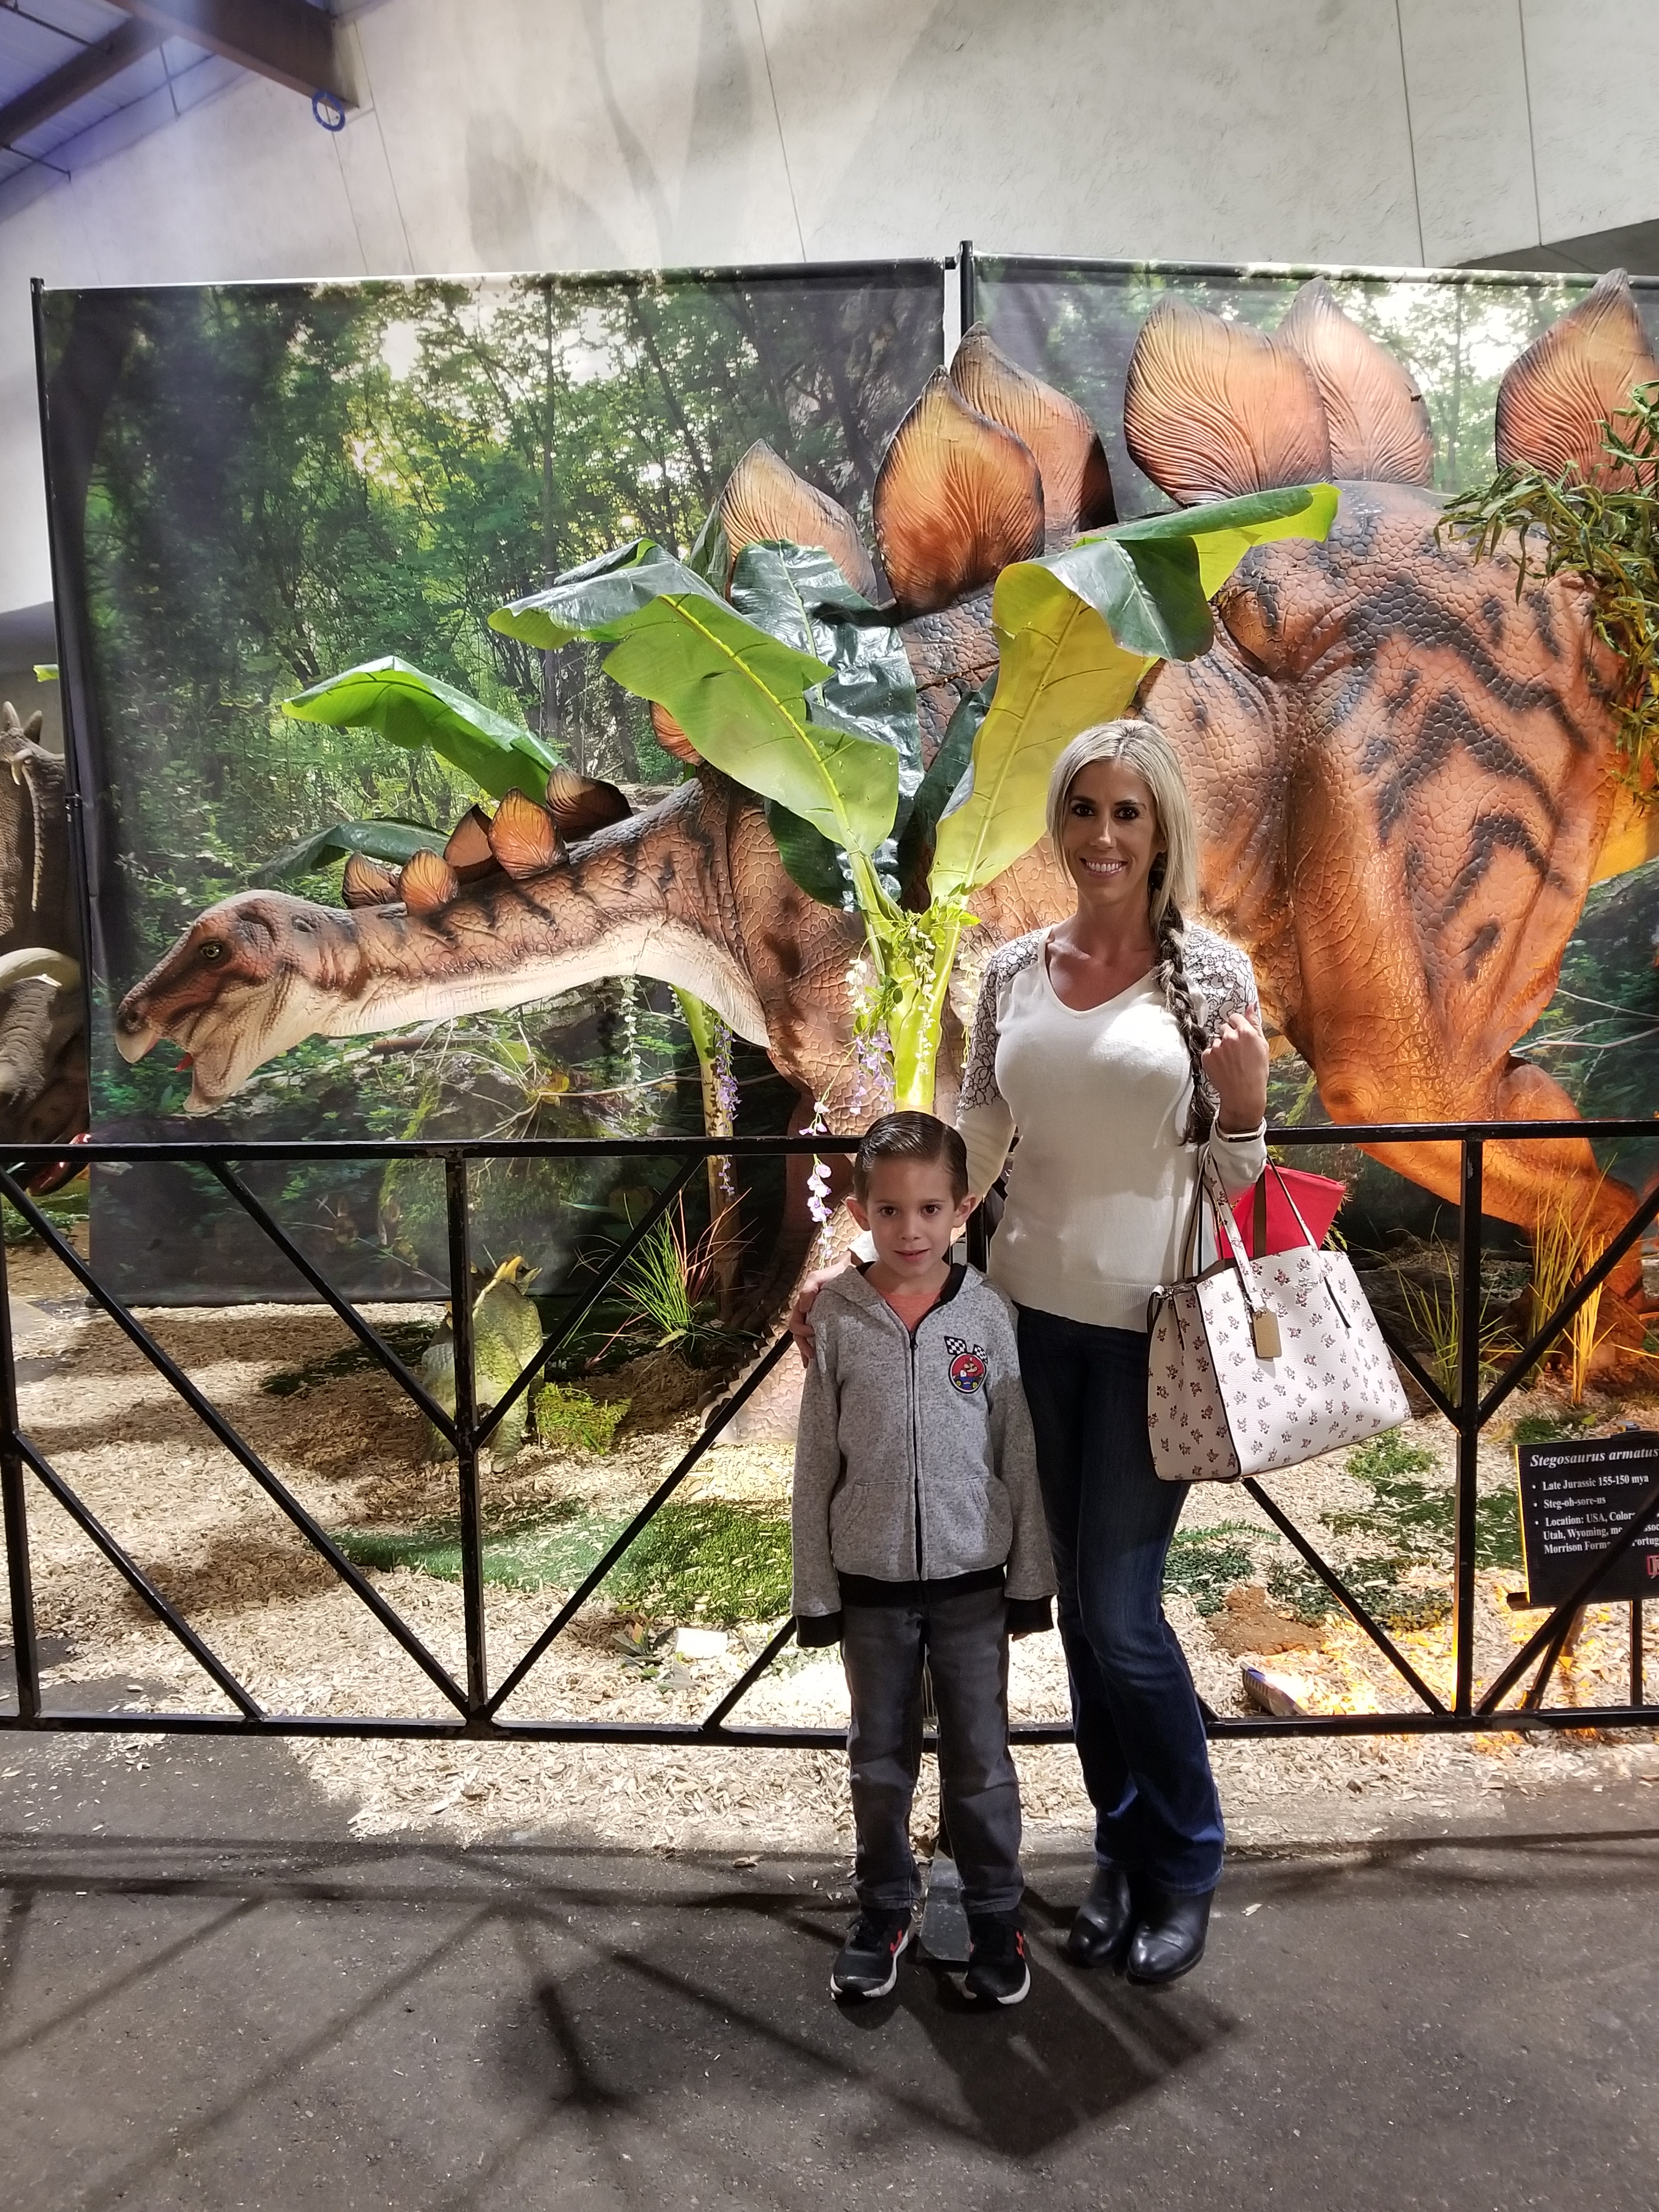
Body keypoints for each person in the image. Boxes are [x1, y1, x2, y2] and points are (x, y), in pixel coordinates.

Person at [792, 719, 1268, 1989]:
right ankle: (1120, 1852)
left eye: (1128, 812)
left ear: (1160, 829)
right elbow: (978, 1144)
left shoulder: (1208, 977)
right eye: (1084, 809)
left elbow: (1233, 1178)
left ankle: (1187, 1861)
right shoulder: (1013, 973)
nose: (1103, 835)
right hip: (1017, 1332)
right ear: (1060, 825)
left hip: (1149, 1334)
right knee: (1072, 1621)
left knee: (1122, 1616)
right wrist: (872, 1255)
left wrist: (1249, 1110)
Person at [792, 1110, 1056, 2007]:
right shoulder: (836, 1315)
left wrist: (1030, 1579)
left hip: (973, 1583)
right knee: (878, 1756)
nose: (911, 1230)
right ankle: (884, 1908)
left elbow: (1016, 1449)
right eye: (891, 1210)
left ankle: (994, 1915)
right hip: (869, 1586)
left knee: (981, 1757)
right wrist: (816, 1590)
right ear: (859, 1213)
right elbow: (815, 1463)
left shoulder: (987, 1313)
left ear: (963, 1209)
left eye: (931, 1209)